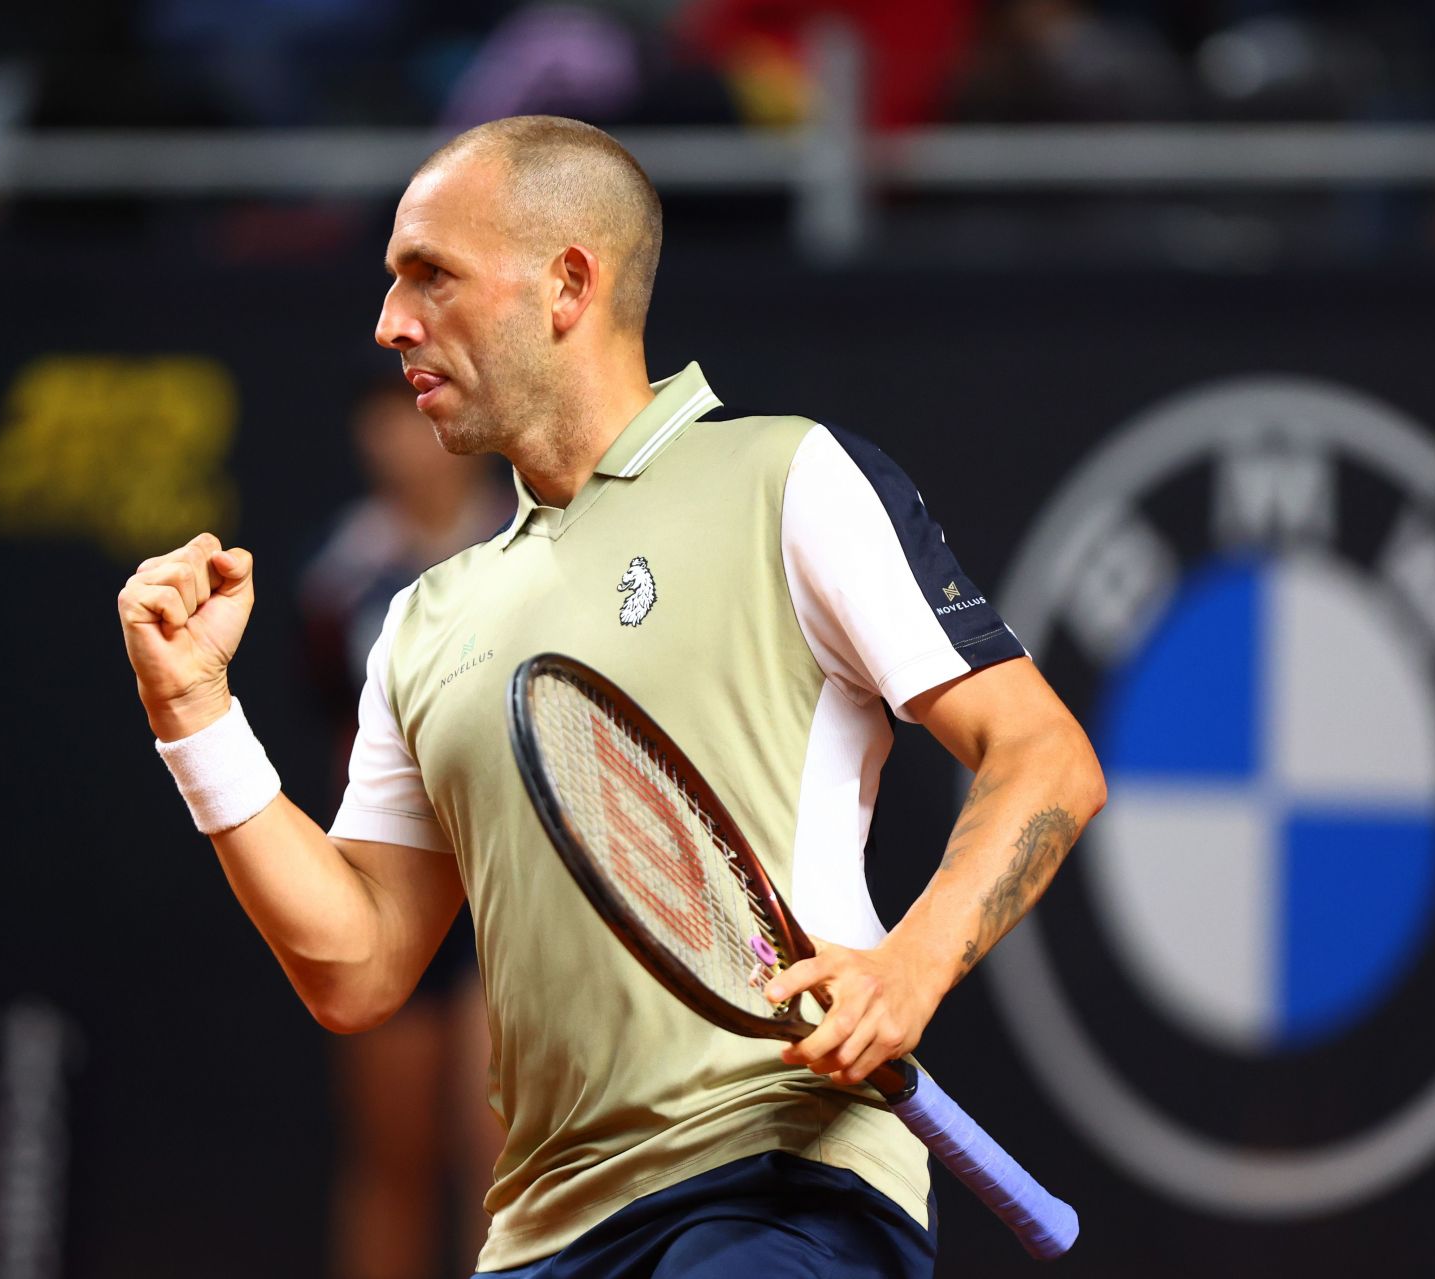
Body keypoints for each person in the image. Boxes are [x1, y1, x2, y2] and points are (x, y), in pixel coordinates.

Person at [117, 115, 1107, 1278]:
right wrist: (195, 718)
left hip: (781, 1186)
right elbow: (359, 963)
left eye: (429, 275)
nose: (391, 323)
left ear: (567, 283)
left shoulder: (787, 477)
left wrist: (910, 965)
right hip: (541, 1234)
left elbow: (1043, 756)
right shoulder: (423, 621)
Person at [297, 377, 511, 1278]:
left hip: (507, 888)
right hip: (393, 887)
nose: (406, 436)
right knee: (392, 1154)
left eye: (419, 410)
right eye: (384, 416)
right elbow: (331, 722)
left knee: (498, 1154)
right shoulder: (338, 577)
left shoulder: (531, 542)